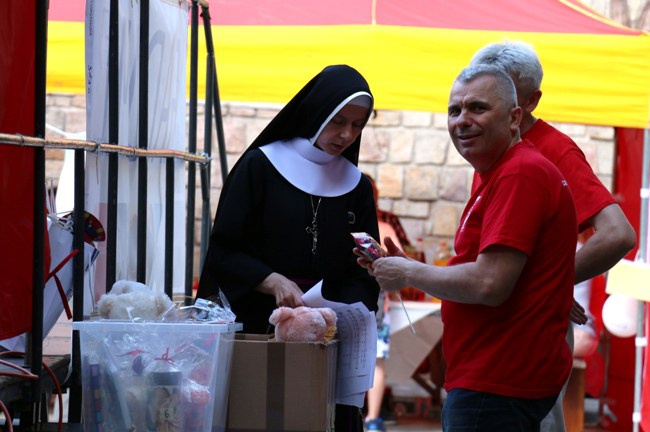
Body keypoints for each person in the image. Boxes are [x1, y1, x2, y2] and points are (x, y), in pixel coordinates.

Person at [356, 64, 578, 431]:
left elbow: (489, 284)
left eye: (477, 108)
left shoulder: (519, 173)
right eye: (454, 110)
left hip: (497, 379)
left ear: (514, 117)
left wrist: (409, 272)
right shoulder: (503, 172)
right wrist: (407, 266)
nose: (462, 120)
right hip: (494, 377)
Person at [196, 64, 381, 432]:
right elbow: (224, 250)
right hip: (259, 326)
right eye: (338, 121)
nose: (346, 134)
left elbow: (363, 267)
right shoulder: (260, 166)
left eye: (358, 125)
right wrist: (271, 280)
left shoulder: (357, 186)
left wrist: (339, 310)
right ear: (317, 112)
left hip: (328, 337)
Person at [469, 41, 636, 432]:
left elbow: (618, 234)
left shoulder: (551, 151)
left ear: (528, 101)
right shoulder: (494, 148)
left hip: (529, 341)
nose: (483, 105)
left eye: (495, 94)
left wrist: (547, 283)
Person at [363, 174, 411, 432]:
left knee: (370, 359)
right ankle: (372, 418)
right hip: (379, 300)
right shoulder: (385, 227)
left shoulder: (378, 226)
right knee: (377, 360)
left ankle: (367, 416)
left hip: (371, 300)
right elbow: (403, 264)